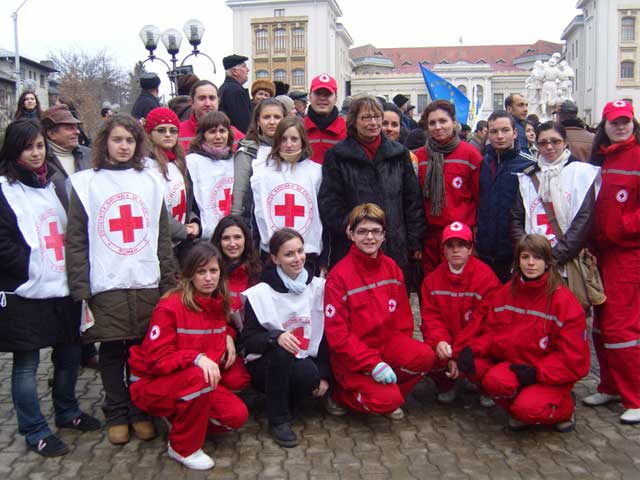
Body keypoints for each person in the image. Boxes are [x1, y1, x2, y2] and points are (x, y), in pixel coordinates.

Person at [66, 114, 176, 445]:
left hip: (145, 280)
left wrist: (169, 282)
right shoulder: (87, 184)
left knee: (142, 351)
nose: (124, 146)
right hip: (106, 282)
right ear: (105, 143)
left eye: (130, 140)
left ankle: (140, 409)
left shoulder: (152, 181)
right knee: (113, 353)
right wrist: (80, 287)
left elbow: (162, 236)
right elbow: (76, 240)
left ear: (138, 143)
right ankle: (116, 411)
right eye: (117, 140)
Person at [0, 119, 100, 457]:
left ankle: (67, 411)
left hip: (63, 286)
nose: (36, 153)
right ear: (14, 150)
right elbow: (2, 244)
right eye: (28, 147)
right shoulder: (3, 189)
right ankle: (34, 428)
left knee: (70, 356)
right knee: (27, 364)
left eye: (40, 146)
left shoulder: (54, 184)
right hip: (26, 291)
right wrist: (33, 267)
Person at [128, 242, 249, 470]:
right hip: (152, 383)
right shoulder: (170, 306)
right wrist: (195, 357)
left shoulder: (217, 302)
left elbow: (217, 327)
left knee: (237, 415)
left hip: (188, 379)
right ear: (189, 274)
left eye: (213, 271)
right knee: (199, 377)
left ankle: (179, 417)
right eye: (200, 272)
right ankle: (183, 447)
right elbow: (157, 360)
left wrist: (229, 335)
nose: (208, 278)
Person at [456, 234, 590, 433]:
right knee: (483, 373)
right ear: (518, 261)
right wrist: (470, 350)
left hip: (547, 374)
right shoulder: (506, 293)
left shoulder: (564, 302)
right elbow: (492, 333)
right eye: (525, 257)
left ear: (547, 263)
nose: (531, 263)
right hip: (517, 367)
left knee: (528, 409)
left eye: (537, 258)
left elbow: (573, 359)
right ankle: (522, 408)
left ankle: (564, 407)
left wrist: (538, 372)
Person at [323, 203, 435, 418]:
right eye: (362, 231)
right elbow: (338, 336)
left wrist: (395, 357)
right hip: (352, 358)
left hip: (386, 346)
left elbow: (403, 321)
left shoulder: (392, 268)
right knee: (386, 400)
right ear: (350, 234)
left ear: (384, 235)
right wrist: (372, 364)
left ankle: (389, 397)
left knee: (425, 356)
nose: (370, 238)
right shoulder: (338, 277)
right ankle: (339, 395)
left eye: (376, 231)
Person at [319, 96, 425, 280]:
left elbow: (412, 200)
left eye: (377, 117)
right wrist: (353, 227)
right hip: (352, 245)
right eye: (366, 118)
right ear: (354, 121)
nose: (373, 123)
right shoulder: (336, 156)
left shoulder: (399, 154)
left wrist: (414, 240)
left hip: (393, 244)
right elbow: (329, 202)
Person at [241, 228, 331, 447]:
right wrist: (275, 337)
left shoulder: (318, 287)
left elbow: (326, 334)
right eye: (289, 254)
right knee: (282, 351)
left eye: (300, 251)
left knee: (310, 375)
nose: (298, 258)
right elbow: (249, 340)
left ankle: (289, 400)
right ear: (275, 258)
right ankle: (278, 419)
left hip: (302, 359)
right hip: (266, 363)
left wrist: (325, 375)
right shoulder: (261, 292)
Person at [583, 100, 640, 424]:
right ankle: (610, 385)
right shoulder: (601, 159)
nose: (620, 126)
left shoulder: (637, 156)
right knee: (602, 326)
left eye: (625, 121)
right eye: (615, 122)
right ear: (604, 125)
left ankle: (635, 395)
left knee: (622, 327)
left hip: (627, 254)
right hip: (600, 254)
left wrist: (622, 227)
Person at [41, 104, 99, 368]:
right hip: (59, 238)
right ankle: (64, 361)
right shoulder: (42, 161)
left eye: (76, 126)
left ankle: (87, 350)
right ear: (51, 133)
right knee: (68, 300)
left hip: (91, 235)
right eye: (68, 127)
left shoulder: (87, 155)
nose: (75, 130)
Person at [510, 121, 600, 287]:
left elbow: (583, 221)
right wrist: (528, 254)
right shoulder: (527, 177)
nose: (549, 147)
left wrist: (551, 258)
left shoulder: (582, 174)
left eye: (555, 141)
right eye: (543, 142)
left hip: (566, 264)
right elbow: (516, 218)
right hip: (532, 265)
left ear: (565, 142)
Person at [419, 222, 501, 405]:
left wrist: (458, 353)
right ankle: (446, 384)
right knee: (427, 355)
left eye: (462, 245)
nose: (456, 250)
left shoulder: (487, 279)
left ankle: (483, 386)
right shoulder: (431, 281)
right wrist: (441, 342)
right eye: (450, 245)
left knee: (482, 364)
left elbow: (483, 324)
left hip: (474, 346)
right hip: (449, 345)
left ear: (471, 248)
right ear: (443, 250)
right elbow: (431, 320)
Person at [250, 116, 325, 274]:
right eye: (283, 139)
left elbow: (322, 215)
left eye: (294, 139)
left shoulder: (316, 172)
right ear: (277, 141)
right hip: (272, 256)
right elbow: (256, 214)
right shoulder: (262, 173)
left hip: (307, 254)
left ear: (303, 141)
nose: (289, 144)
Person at [416, 100, 483, 275]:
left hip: (460, 237)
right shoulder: (419, 157)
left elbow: (479, 197)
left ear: (454, 122)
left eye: (443, 121)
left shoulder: (470, 155)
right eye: (432, 123)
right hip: (430, 236)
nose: (438, 127)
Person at [476, 110, 535, 282]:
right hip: (485, 250)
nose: (499, 136)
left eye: (505, 130)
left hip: (514, 251)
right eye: (494, 131)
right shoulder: (483, 162)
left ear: (515, 133)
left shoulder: (529, 165)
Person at [144, 107, 200, 261]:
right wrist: (182, 230)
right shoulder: (145, 167)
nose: (168, 134)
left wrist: (194, 221)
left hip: (181, 244)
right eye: (161, 130)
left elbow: (186, 201)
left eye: (173, 130)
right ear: (150, 133)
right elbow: (152, 209)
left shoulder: (179, 163)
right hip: (159, 247)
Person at [230, 98, 286, 222]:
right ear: (258, 121)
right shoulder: (247, 152)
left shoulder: (291, 150)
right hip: (254, 222)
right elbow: (239, 192)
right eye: (266, 117)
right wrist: (236, 222)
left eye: (277, 117)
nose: (272, 122)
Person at [185, 111, 235, 241]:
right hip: (203, 237)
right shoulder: (191, 162)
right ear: (202, 136)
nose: (218, 136)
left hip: (233, 236)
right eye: (212, 132)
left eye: (222, 131)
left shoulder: (236, 160)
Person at [211, 215, 262, 333]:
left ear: (246, 239)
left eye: (237, 237)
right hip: (218, 336)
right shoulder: (209, 274)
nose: (232, 243)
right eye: (226, 238)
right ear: (219, 241)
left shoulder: (259, 273)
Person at [178, 80, 244, 151]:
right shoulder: (177, 133)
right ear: (192, 102)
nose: (208, 104)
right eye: (202, 98)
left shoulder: (236, 136)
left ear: (218, 101)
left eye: (212, 98)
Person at [304, 74, 347, 164]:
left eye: (327, 94)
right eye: (318, 93)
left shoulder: (348, 129)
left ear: (336, 98)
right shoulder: (298, 127)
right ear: (310, 96)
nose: (322, 98)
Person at [218, 55, 252, 133]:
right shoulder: (235, 91)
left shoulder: (224, 88)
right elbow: (242, 124)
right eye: (244, 66)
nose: (248, 70)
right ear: (234, 71)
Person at [382, 102, 417, 173]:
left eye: (394, 125)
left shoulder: (410, 158)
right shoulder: (366, 156)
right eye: (384, 123)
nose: (389, 128)